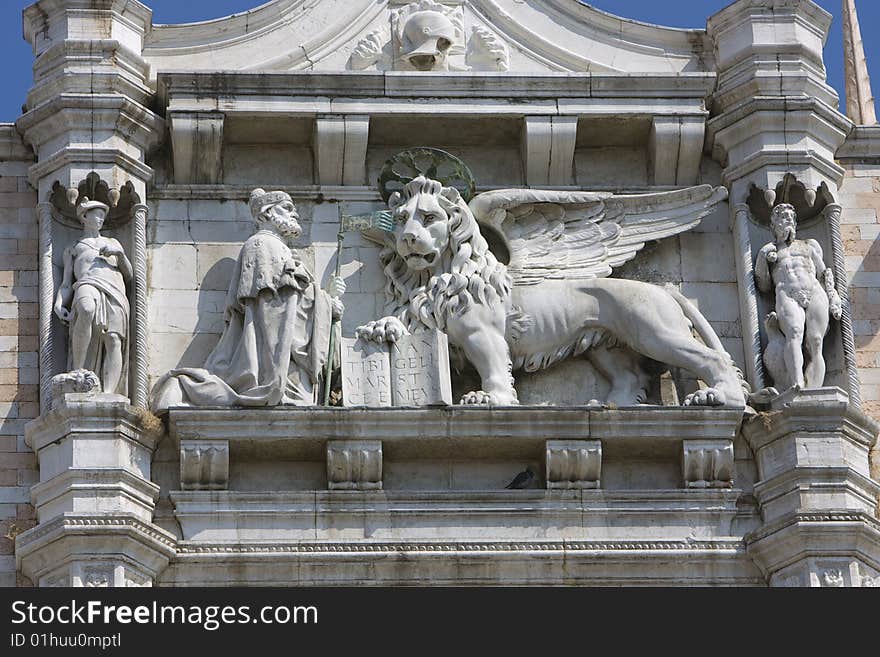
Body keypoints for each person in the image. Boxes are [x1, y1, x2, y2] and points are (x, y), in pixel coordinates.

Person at [151, 188, 345, 410]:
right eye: (287, 208)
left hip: (286, 354)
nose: (295, 214)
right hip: (274, 358)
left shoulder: (278, 248)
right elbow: (274, 307)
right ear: (266, 214)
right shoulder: (262, 244)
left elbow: (290, 300)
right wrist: (325, 304)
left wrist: (326, 301)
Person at [754, 203, 842, 389]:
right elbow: (763, 285)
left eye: (789, 217)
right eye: (781, 217)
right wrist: (763, 258)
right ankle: (797, 383)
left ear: (795, 222)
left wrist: (833, 296)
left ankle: (814, 389)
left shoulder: (809, 245)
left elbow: (824, 273)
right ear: (773, 225)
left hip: (815, 291)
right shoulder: (770, 250)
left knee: (816, 342)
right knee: (794, 333)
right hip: (787, 294)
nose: (786, 220)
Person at [54, 198, 131, 395]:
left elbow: (130, 275)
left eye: (103, 215)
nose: (100, 219)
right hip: (86, 283)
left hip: (114, 290)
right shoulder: (74, 247)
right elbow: (65, 283)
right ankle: (78, 371)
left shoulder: (112, 243)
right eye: (96, 214)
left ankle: (109, 393)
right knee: (86, 309)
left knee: (114, 339)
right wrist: (59, 303)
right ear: (84, 216)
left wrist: (120, 255)